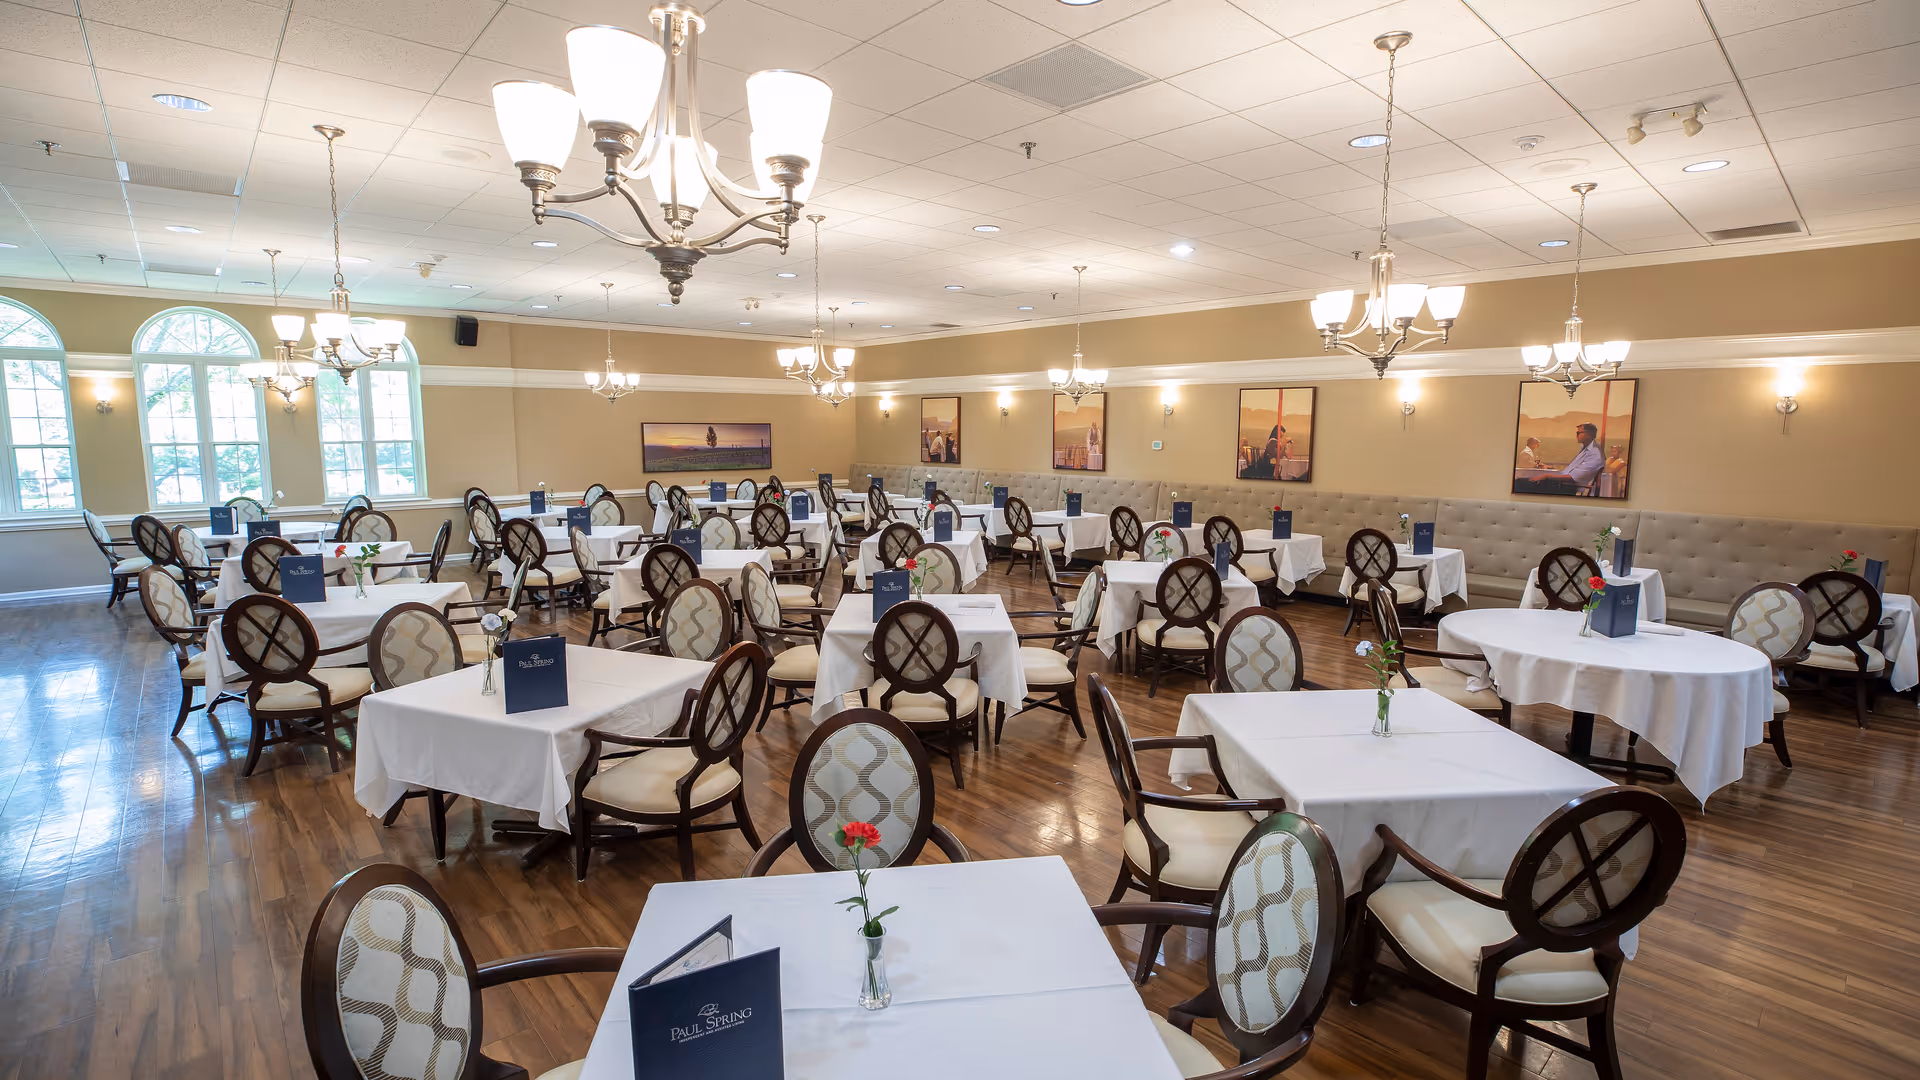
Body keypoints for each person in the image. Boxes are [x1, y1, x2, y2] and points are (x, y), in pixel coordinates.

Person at [1516, 423, 1604, 495]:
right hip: (1562, 484)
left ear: (1588, 435)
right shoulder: (1585, 451)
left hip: (1567, 487)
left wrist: (1547, 476)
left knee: (1520, 483)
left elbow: (1572, 478)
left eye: (1578, 433)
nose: (1576, 435)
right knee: (1521, 482)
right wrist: (1551, 469)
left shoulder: (1594, 454)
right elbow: (1570, 473)